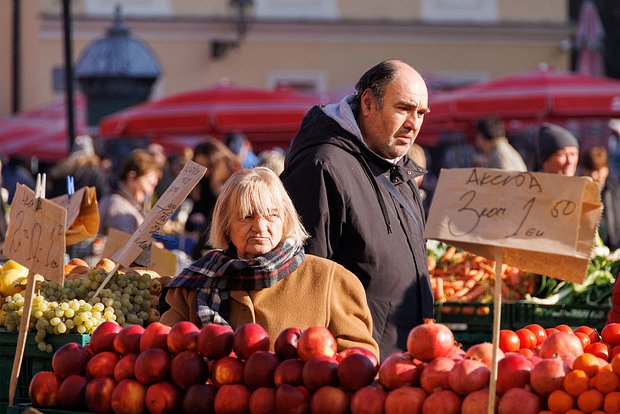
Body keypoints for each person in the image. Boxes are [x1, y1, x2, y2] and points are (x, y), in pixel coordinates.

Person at [280, 59, 433, 359]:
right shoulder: (321, 166)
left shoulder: (399, 170)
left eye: (421, 113)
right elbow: (303, 283)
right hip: (354, 370)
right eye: (403, 108)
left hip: (401, 366)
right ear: (367, 103)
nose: (414, 123)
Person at [160, 167, 379, 357]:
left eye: (271, 215)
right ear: (226, 225)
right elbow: (169, 352)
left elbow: (359, 359)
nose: (260, 227)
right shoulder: (192, 285)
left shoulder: (330, 280)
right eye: (247, 217)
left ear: (285, 221)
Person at [184, 138, 241, 259]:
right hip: (207, 247)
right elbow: (190, 222)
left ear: (216, 164)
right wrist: (194, 220)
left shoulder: (232, 184)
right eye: (200, 166)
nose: (205, 172)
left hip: (226, 249)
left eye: (207, 167)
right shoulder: (204, 183)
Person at [98, 149, 162, 236]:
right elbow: (123, 245)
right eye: (150, 184)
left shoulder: (120, 202)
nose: (150, 191)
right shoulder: (117, 207)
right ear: (132, 177)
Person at [581, 146, 620, 250]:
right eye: (589, 170)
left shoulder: (616, 190)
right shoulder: (576, 190)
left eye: (597, 170)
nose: (594, 175)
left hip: (612, 252)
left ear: (606, 169)